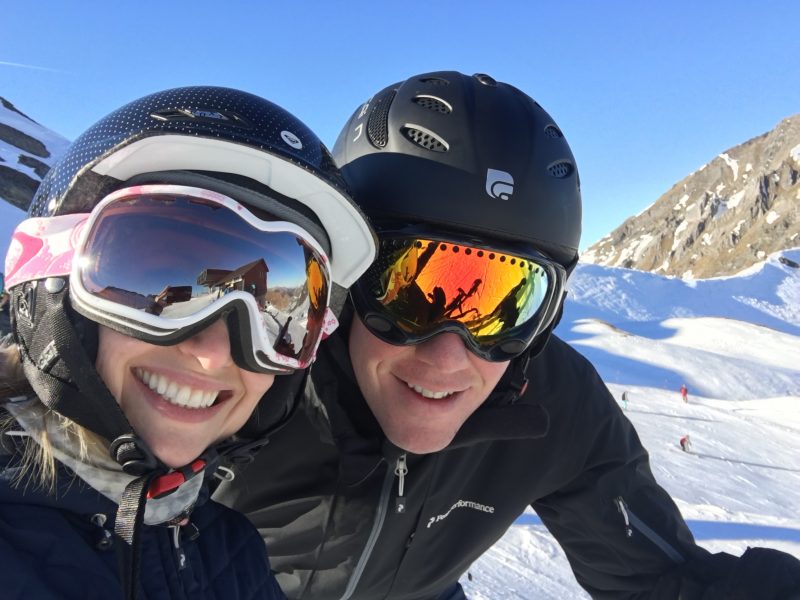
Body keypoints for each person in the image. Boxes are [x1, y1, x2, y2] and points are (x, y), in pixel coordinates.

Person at [214, 71, 800, 599]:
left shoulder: (556, 408)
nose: (448, 356)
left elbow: (665, 581)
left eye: (502, 307)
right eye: (409, 293)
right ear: (344, 280)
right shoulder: (254, 382)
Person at [0, 86, 376, 600]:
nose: (213, 353)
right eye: (159, 283)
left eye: (275, 316)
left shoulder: (233, 554)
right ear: (54, 289)